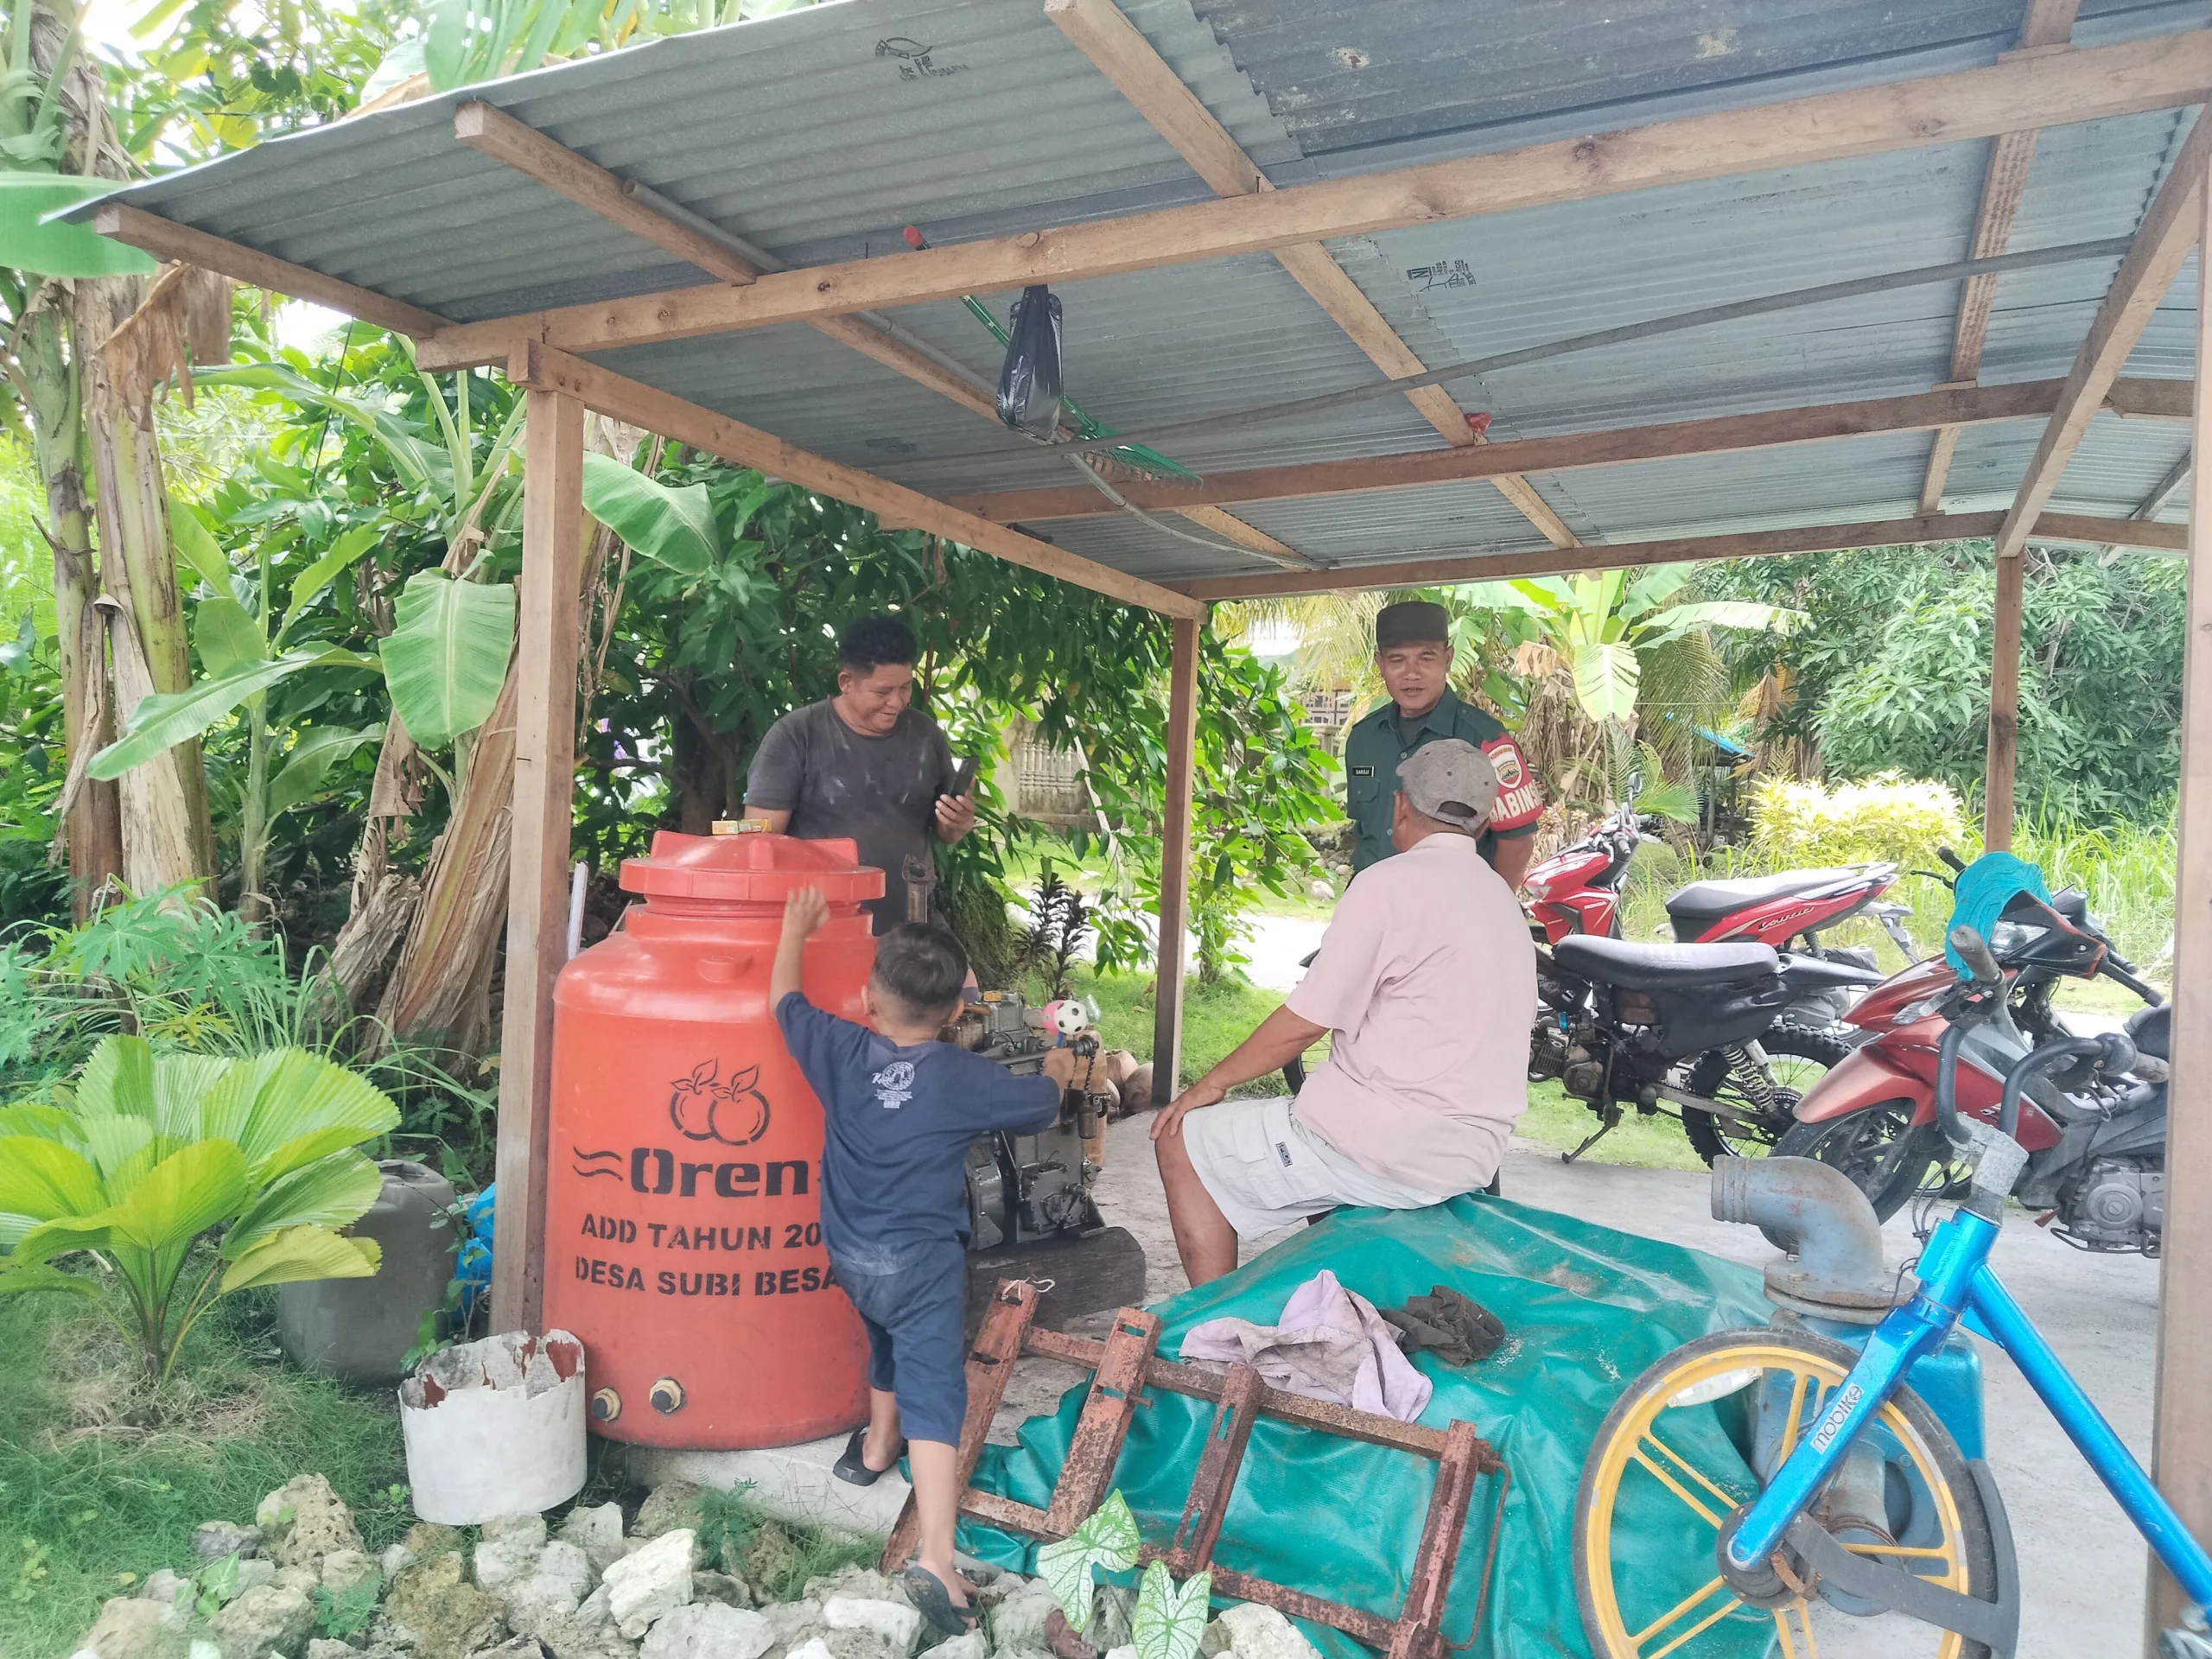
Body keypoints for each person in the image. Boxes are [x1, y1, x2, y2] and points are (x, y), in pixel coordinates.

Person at [772, 887, 1077, 1633]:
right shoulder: (963, 1078)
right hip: (923, 1264)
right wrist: (1064, 1069)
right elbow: (1041, 1103)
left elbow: (782, 1001)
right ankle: (936, 1557)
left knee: (883, 1336)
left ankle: (876, 1446)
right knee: (937, 1391)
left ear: (869, 997)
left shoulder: (840, 1050)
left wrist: (793, 929)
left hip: (849, 1253)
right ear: (953, 1016)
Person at [1150, 741, 1535, 1286]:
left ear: (1401, 806)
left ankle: (1213, 1328)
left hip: (1389, 1149)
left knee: (1181, 1139)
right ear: (1481, 823)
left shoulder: (1388, 884)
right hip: (1474, 1154)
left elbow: (1307, 1020)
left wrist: (1210, 1084)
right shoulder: (1502, 900)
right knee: (1311, 1118)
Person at [745, 615, 976, 933]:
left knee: (962, 983)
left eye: (906, 688)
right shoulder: (797, 734)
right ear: (846, 682)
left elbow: (945, 832)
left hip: (910, 926)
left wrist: (958, 822)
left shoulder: (926, 735)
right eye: (882, 692)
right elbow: (760, 844)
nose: (896, 703)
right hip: (822, 929)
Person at [1342, 601, 1542, 887]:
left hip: (1448, 915)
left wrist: (1489, 906)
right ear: (1380, 664)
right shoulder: (1364, 738)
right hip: (1371, 909)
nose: (1412, 673)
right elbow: (1364, 833)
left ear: (1447, 659)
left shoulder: (1484, 740)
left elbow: (1517, 843)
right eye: (1397, 660)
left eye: (1426, 658)